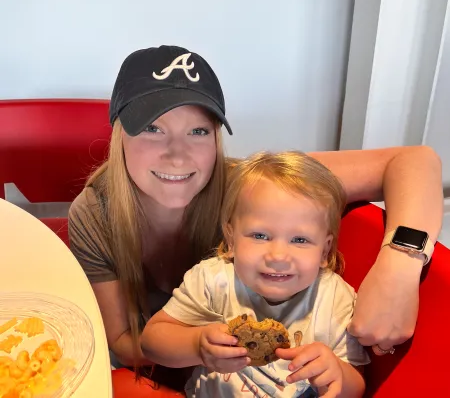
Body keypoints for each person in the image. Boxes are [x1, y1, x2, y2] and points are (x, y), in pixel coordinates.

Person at [68, 45, 443, 382]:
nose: (177, 155)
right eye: (152, 128)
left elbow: (413, 160)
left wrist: (399, 268)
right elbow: (123, 341)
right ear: (119, 134)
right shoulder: (94, 212)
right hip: (169, 370)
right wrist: (197, 344)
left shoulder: (249, 190)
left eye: (198, 131)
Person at [141, 151, 370, 398]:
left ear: (324, 251)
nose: (278, 256)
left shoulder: (336, 299)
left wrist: (336, 374)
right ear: (230, 239)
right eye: (260, 236)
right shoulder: (213, 279)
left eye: (300, 239)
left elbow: (356, 386)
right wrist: (197, 345)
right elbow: (151, 342)